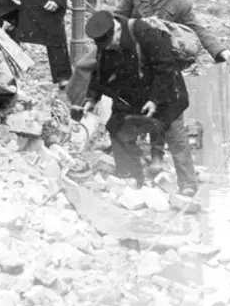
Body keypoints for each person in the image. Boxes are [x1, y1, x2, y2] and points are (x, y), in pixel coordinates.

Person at [114, 0, 230, 195]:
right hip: (135, 67)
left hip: (165, 70)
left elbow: (198, 28)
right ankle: (137, 173)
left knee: (175, 124)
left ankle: (188, 184)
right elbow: (117, 18)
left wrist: (221, 51)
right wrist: (136, 25)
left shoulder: (181, 4)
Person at [79, 10, 191, 189]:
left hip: (168, 94)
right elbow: (101, 72)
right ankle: (130, 178)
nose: (108, 48)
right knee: (116, 128)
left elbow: (166, 68)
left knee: (175, 137)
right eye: (105, 47)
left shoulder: (142, 31)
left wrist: (155, 99)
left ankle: (188, 185)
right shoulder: (105, 43)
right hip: (135, 95)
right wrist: (92, 98)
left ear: (116, 30)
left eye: (111, 44)